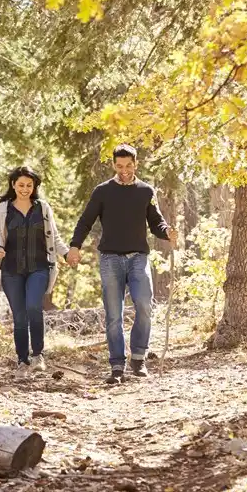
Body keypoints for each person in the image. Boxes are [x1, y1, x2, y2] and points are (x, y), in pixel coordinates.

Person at [66, 144, 178, 383]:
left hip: (138, 257)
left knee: (144, 304)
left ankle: (138, 358)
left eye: (128, 165)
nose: (124, 170)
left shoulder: (146, 191)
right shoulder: (102, 191)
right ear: (113, 165)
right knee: (114, 315)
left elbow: (155, 222)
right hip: (110, 259)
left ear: (135, 163)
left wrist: (167, 231)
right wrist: (74, 245)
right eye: (119, 166)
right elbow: (85, 221)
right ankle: (117, 366)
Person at [0, 166, 72, 376]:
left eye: (29, 185)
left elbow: (54, 237)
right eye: (21, 185)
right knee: (19, 316)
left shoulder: (42, 208)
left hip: (39, 268)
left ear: (34, 186)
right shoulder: (3, 208)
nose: (25, 189)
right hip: (11, 270)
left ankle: (38, 355)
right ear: (13, 185)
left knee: (34, 307)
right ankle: (22, 359)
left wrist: (66, 254)